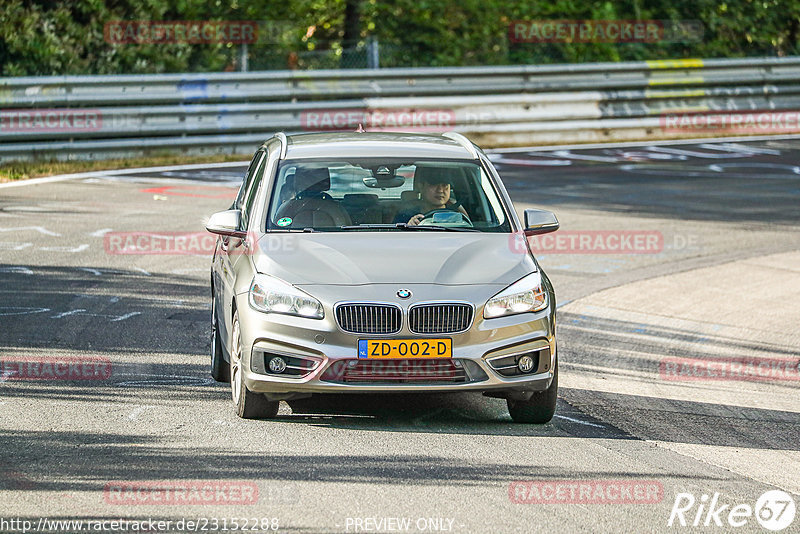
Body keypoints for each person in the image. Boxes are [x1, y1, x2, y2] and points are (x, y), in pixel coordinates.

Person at [393, 168, 469, 225]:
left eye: (445, 185)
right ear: (421, 187)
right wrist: (409, 226)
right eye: (434, 185)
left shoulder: (457, 215)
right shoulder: (405, 216)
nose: (440, 190)